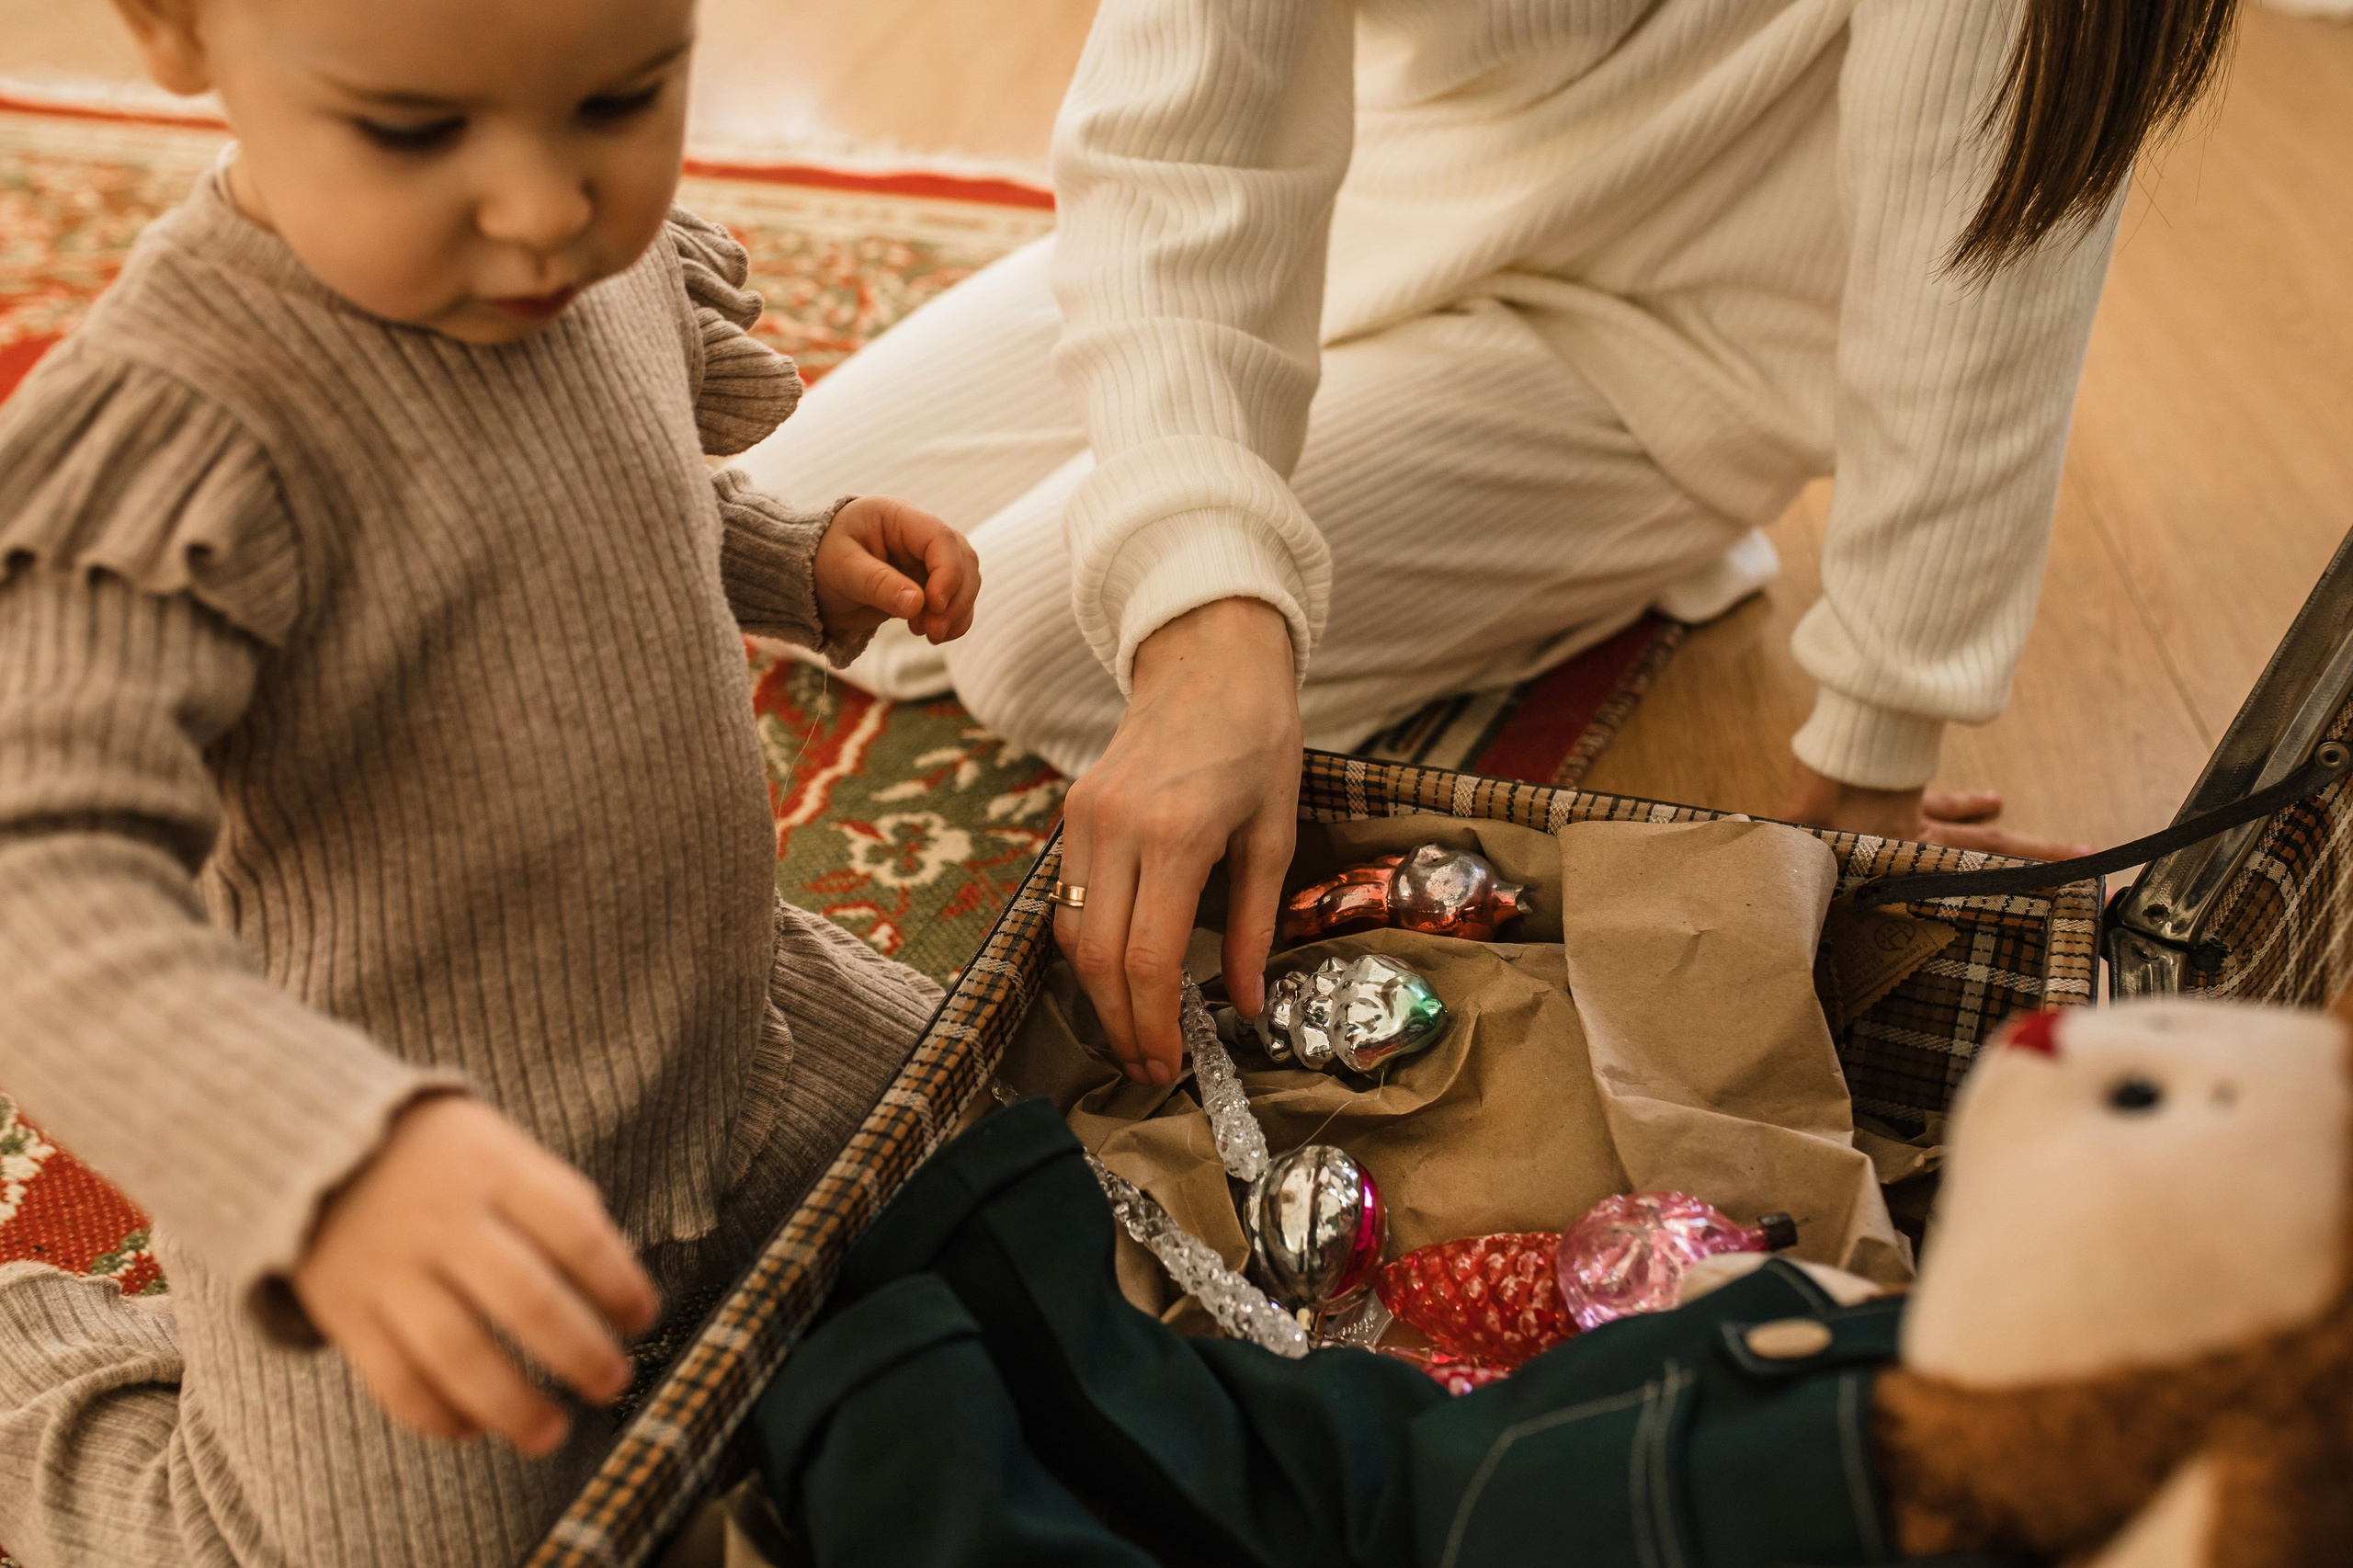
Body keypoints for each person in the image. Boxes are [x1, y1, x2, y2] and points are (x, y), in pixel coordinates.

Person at [736, 0, 2241, 1087]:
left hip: (1681, 329)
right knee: (790, 520)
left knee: (1032, 647)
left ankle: (1644, 538)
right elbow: (1186, 136)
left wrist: (1881, 739)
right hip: (1404, 186)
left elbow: (1978, 256)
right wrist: (1205, 593)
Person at [0, 0, 980, 1560]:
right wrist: (323, 1162)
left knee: (1001, 1149)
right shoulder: (190, 424)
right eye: (413, 131)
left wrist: (793, 554)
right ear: (176, 28)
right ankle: (38, 1376)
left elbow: (606, 493)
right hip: (420, 1173)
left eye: (622, 100)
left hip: (732, 1032)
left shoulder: (591, 267)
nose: (544, 207)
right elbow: (39, 874)